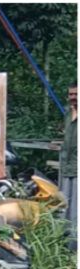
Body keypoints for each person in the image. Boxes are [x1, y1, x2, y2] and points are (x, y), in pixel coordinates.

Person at [59, 81, 78, 251]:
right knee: (63, 208)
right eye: (71, 94)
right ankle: (62, 248)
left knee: (76, 212)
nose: (73, 98)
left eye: (76, 94)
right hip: (66, 168)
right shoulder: (67, 113)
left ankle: (75, 250)